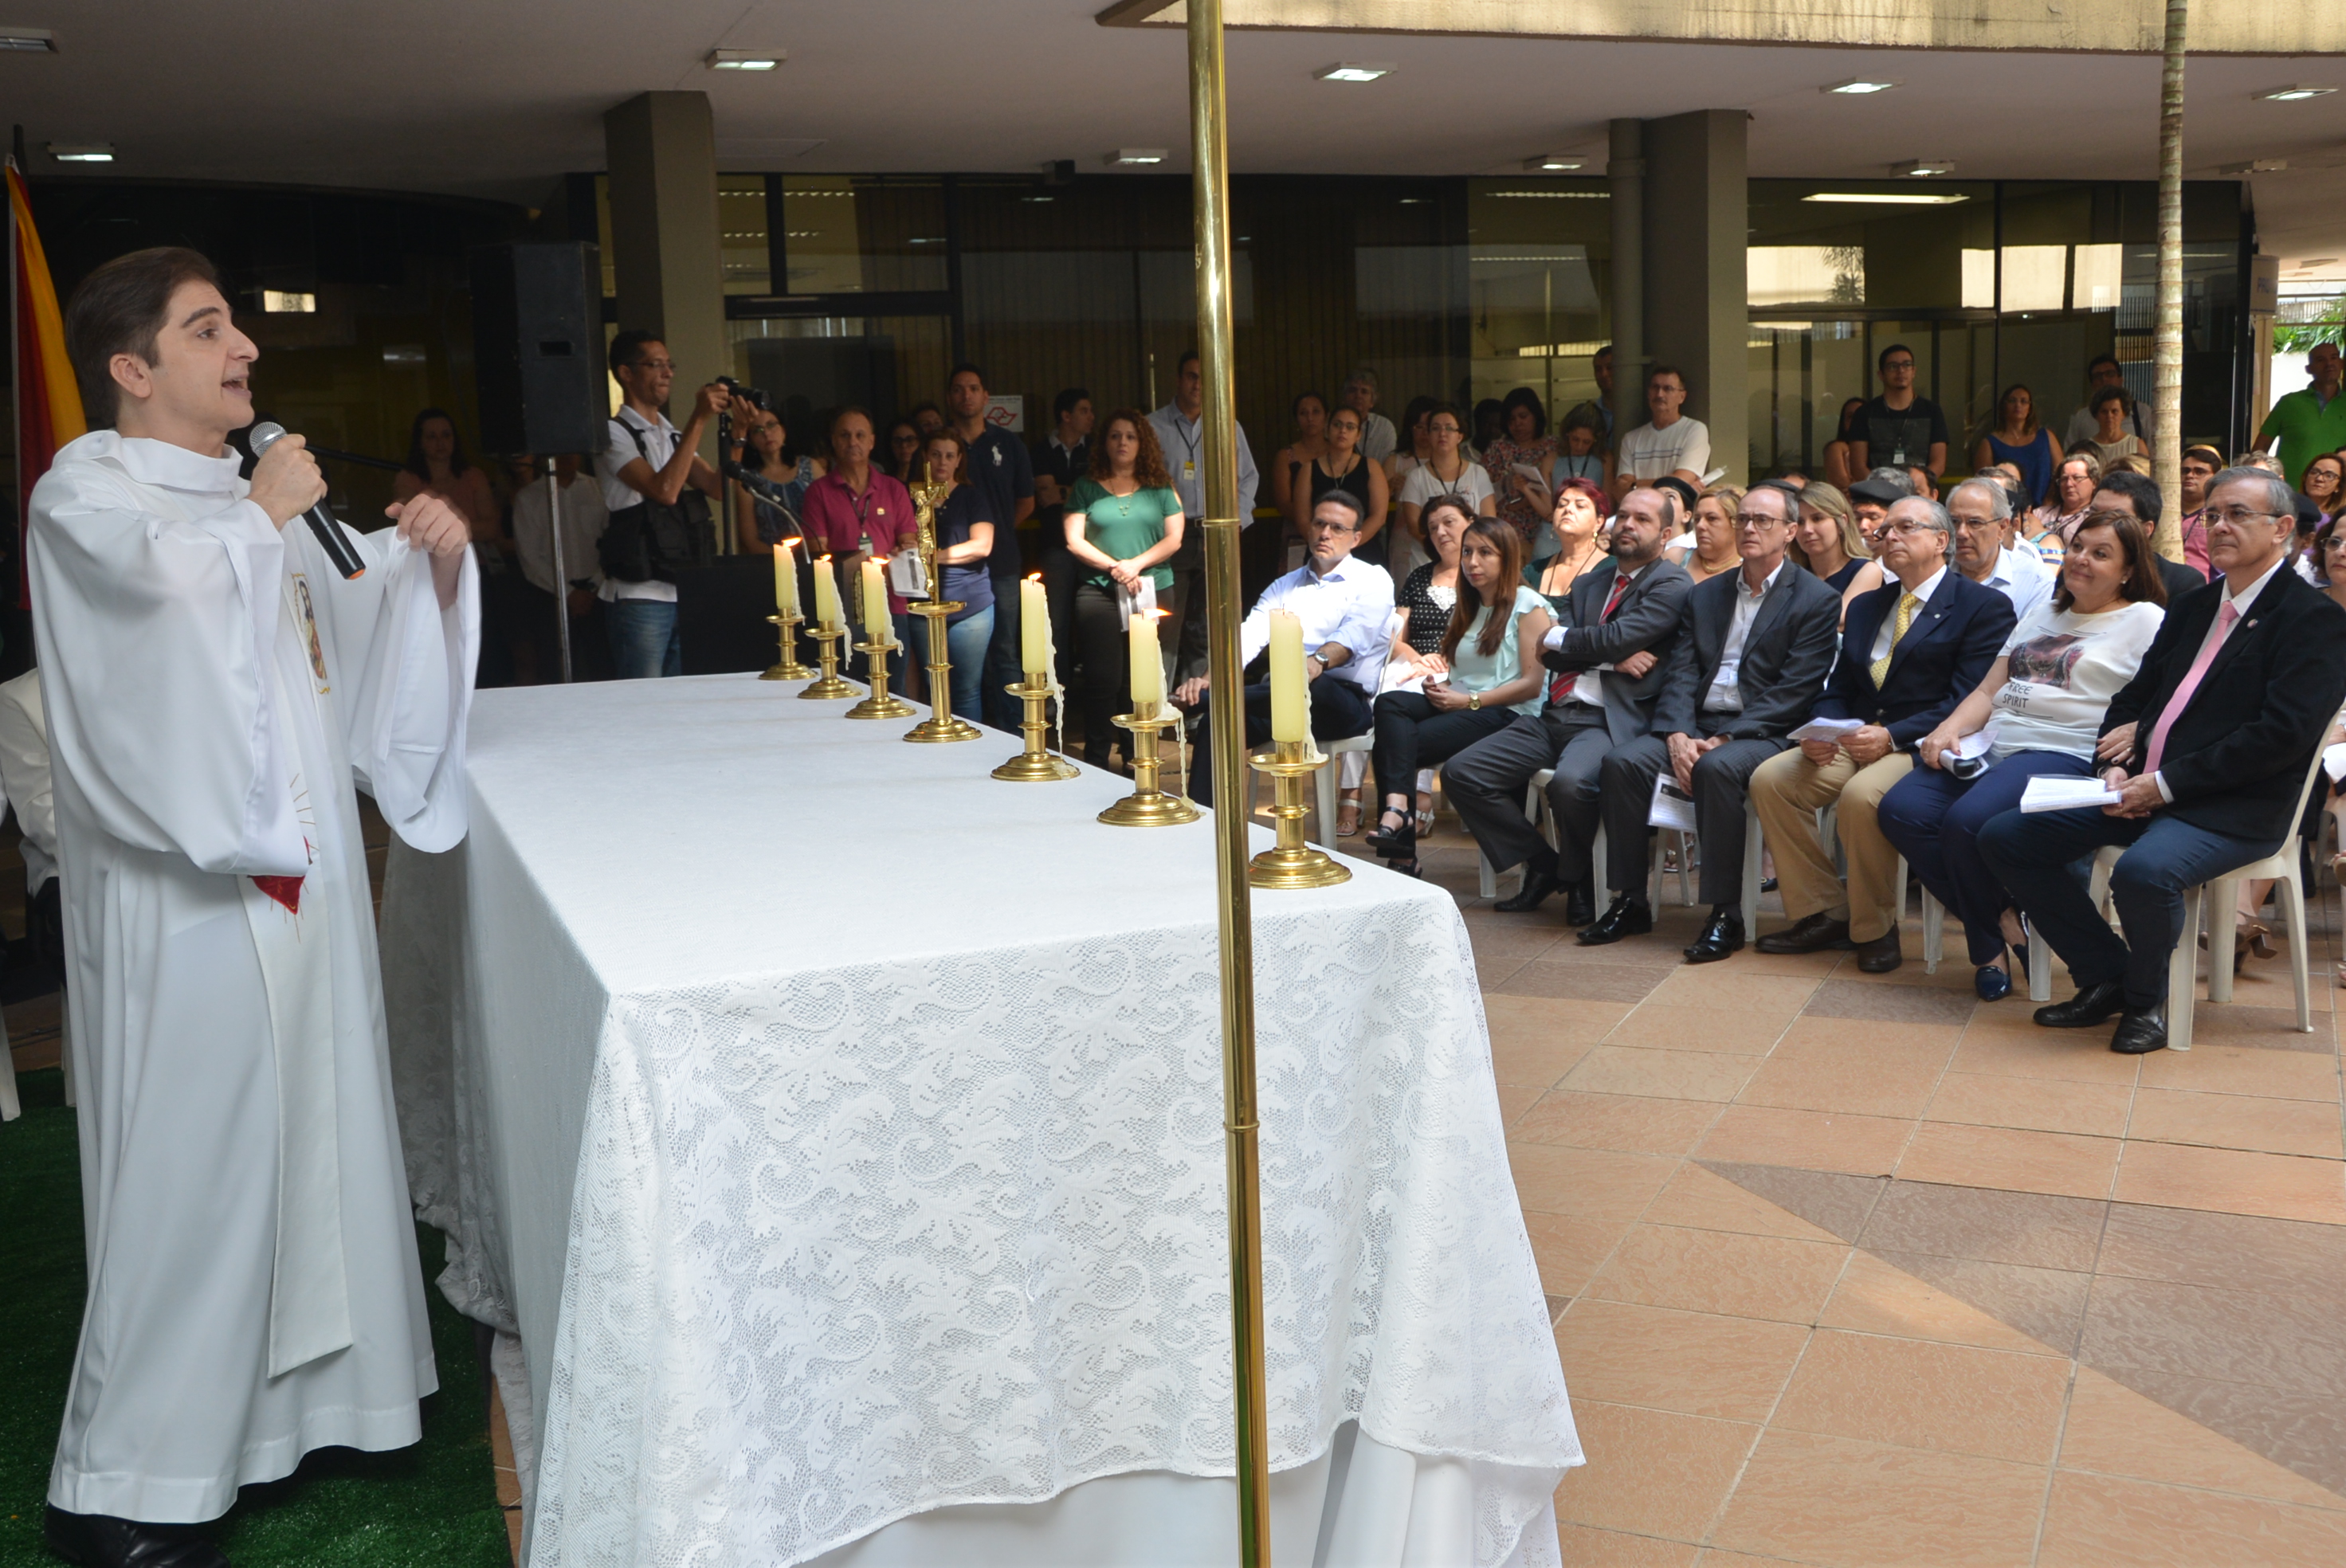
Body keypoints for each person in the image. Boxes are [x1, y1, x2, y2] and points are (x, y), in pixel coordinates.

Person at [31, 245, 477, 1568]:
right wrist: (259, 522)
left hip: (304, 879)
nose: (247, 351)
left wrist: (425, 565)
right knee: (199, 1162)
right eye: (209, 328)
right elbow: (156, 636)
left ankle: (313, 1412)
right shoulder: (86, 493)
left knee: (312, 1129)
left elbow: (339, 633)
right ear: (131, 367)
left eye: (235, 326)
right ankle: (121, 1485)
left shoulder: (245, 495)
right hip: (188, 899)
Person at [1978, 468, 2346, 1053]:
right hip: (2144, 786)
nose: (2219, 526)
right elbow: (2135, 697)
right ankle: (2106, 974)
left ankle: (2148, 1001)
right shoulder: (2194, 605)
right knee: (2006, 837)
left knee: (2143, 872)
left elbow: (2278, 737)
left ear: (2282, 528)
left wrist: (2165, 785)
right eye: (2212, 515)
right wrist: (2114, 766)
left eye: (2237, 514)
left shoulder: (2315, 620)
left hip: (2233, 804)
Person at [1880, 510, 2168, 1000]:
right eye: (2077, 548)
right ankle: (2007, 921)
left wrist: (2139, 727)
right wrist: (1948, 729)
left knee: (1966, 822)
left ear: (2127, 570)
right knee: (1902, 810)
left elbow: (2172, 692)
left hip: (2064, 749)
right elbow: (1988, 689)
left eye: (2100, 554)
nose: (2081, 559)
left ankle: (1986, 949)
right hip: (1994, 743)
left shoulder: (2146, 619)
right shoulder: (2044, 612)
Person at [1750, 496, 2018, 970]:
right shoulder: (1867, 605)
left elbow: (1966, 699)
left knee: (1861, 796)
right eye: (1884, 530)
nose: (1889, 536)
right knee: (1772, 779)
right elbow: (1839, 687)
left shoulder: (1982, 606)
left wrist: (1891, 736)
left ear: (1940, 540)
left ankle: (1874, 928)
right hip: (1855, 737)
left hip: (1922, 743)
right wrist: (1823, 729)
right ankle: (1825, 911)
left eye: (1905, 527)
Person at [1596, 482, 1843, 961]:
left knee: (1717, 767)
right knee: (1623, 763)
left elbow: (1795, 691)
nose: (1749, 528)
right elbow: (1682, 671)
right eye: (1743, 519)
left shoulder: (1815, 598)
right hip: (1697, 722)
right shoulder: (1707, 594)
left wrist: (1728, 736)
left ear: (1790, 531)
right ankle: (1631, 899)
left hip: (1765, 731)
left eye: (1763, 520)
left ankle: (1726, 914)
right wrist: (1677, 734)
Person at [1447, 488, 1692, 930]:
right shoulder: (1590, 583)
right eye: (1623, 515)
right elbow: (1550, 654)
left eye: (1643, 519)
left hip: (1607, 721)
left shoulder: (1671, 584)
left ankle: (1580, 881)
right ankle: (1547, 865)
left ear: (1666, 534)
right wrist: (1609, 657)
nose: (1628, 525)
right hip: (1556, 713)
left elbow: (1608, 638)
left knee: (1571, 784)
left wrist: (1582, 645)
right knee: (1463, 773)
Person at [1175, 489, 1391, 804]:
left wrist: (1316, 661)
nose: (1325, 533)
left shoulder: (1373, 579)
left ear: (1356, 538)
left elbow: (1355, 635)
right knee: (1218, 722)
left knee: (1312, 685)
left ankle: (1211, 700)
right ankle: (1204, 817)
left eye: (1337, 528)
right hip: (1280, 700)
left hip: (1340, 703)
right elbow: (1250, 635)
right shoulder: (1285, 585)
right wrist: (1209, 679)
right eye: (1319, 524)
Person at [1364, 516, 1550, 876]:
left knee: (1394, 745)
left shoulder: (1529, 604)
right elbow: (1464, 674)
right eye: (1467, 553)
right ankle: (1399, 812)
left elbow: (1532, 684)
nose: (1472, 562)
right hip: (1466, 703)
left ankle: (1401, 847)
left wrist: (1470, 701)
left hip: (1510, 713)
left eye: (1485, 553)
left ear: (1507, 557)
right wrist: (1443, 688)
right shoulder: (1469, 605)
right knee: (1390, 704)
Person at [596, 330, 728, 680]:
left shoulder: (671, 434)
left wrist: (740, 435)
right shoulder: (612, 433)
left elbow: (717, 488)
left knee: (681, 697)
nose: (668, 373)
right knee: (644, 698)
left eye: (670, 365)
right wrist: (699, 418)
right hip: (639, 593)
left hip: (682, 587)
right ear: (626, 373)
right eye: (656, 365)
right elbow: (665, 491)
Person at [1066, 410, 1185, 770]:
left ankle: (1137, 758)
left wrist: (1135, 565)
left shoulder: (1161, 486)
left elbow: (1174, 538)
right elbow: (1074, 540)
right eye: (1115, 436)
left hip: (1151, 589)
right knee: (1103, 678)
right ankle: (1097, 759)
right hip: (1099, 591)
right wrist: (1115, 567)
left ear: (1142, 443)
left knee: (1139, 678)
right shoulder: (1086, 486)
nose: (1122, 443)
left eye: (1131, 436)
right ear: (1104, 442)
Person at [1151, 351, 1260, 681]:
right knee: (1166, 623)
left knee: (1206, 626)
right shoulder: (1152, 426)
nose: (1198, 385)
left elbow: (1248, 477)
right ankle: (1159, 701)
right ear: (1178, 380)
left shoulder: (1226, 425)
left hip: (1215, 534)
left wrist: (1236, 521)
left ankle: (1197, 701)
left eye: (1204, 378)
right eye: (1191, 376)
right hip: (1172, 536)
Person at [942, 364, 1037, 731]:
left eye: (973, 388)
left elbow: (1026, 501)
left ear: (986, 397)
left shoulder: (1009, 444)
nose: (966, 395)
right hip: (951, 571)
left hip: (1002, 564)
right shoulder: (940, 448)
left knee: (1006, 651)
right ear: (949, 397)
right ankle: (972, 731)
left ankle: (1014, 735)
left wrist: (992, 534)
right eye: (958, 389)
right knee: (962, 661)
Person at [801, 406, 919, 681]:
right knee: (849, 686)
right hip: (844, 606)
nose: (852, 442)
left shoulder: (893, 488)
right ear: (834, 441)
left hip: (891, 602)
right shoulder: (818, 492)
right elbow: (819, 551)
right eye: (844, 435)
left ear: (871, 442)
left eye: (859, 435)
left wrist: (903, 549)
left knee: (894, 688)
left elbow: (908, 541)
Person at [396, 407, 508, 685]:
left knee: (486, 653)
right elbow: (408, 528)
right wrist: (464, 527)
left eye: (446, 435)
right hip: (430, 578)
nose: (440, 442)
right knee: (437, 651)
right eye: (432, 436)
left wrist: (451, 529)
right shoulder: (408, 479)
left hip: (477, 573)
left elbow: (491, 528)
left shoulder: (473, 476)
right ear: (420, 442)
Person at [1386, 493, 1473, 834]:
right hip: (1416, 664)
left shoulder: (1478, 576)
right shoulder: (1418, 577)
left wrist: (1448, 661)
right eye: (1433, 527)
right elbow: (1395, 638)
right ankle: (1394, 799)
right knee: (1388, 695)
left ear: (1471, 524)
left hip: (1462, 668)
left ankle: (1420, 798)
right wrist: (1418, 659)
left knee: (1427, 695)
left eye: (1449, 522)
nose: (1440, 532)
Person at [903, 429, 995, 723]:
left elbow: (982, 546)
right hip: (922, 605)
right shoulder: (911, 496)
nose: (942, 461)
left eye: (949, 455)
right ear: (925, 457)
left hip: (970, 605)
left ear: (959, 460)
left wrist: (932, 557)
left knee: (966, 691)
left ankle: (969, 746)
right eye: (936, 454)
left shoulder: (972, 497)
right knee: (934, 687)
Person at [509, 452, 610, 683]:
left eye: (572, 449)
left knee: (603, 669)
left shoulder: (598, 489)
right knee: (554, 673)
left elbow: (610, 542)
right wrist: (569, 593)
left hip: (597, 594)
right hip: (550, 597)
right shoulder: (529, 497)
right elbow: (530, 558)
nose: (567, 455)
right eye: (559, 449)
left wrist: (594, 585)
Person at [1032, 387, 1095, 692]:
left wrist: (1065, 491)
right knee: (1055, 621)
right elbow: (1045, 495)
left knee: (1091, 620)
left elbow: (1097, 493)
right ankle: (1058, 690)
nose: (1091, 417)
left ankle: (1090, 691)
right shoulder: (1041, 450)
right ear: (1066, 416)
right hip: (1055, 545)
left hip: (1094, 547)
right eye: (1084, 411)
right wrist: (1080, 491)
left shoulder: (1095, 449)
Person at [1395, 402, 1494, 578]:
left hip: (1472, 564)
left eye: (1449, 428)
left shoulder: (1478, 473)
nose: (1442, 433)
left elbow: (1488, 520)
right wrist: (1445, 548)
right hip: (1426, 563)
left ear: (1460, 436)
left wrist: (1464, 548)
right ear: (1428, 435)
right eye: (1435, 428)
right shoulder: (1416, 477)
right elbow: (1415, 527)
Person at [2090, 468, 2207, 602]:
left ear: (2146, 529)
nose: (2097, 523)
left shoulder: (2180, 582)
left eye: (2116, 518)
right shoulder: (2077, 569)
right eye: (2092, 514)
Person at [1948, 477, 2053, 623]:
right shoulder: (1932, 572)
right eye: (1954, 521)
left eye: (1975, 523)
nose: (1961, 533)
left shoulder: (2035, 580)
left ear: (2002, 528)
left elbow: (2029, 637)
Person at [1847, 343, 1951, 480]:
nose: (1901, 370)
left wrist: (1914, 486)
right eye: (1893, 366)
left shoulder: (1932, 411)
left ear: (1914, 371)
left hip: (1919, 489)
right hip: (1877, 489)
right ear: (1881, 374)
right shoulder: (1865, 413)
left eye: (1907, 365)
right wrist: (1880, 488)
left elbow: (1939, 463)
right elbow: (1858, 467)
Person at [1304, 406, 1391, 567]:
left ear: (1358, 435)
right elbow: (1303, 518)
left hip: (1364, 551)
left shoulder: (1371, 467)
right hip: (1321, 551)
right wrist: (1325, 543)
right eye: (1337, 425)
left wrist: (1348, 545)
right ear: (1327, 429)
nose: (1343, 430)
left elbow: (1378, 516)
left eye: (1350, 427)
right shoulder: (1309, 469)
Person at [731, 404, 823, 552]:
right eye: (758, 430)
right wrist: (781, 559)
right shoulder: (747, 480)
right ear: (751, 440)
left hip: (816, 553)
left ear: (783, 430)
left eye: (771, 425)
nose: (767, 434)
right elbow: (750, 539)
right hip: (771, 558)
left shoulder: (811, 467)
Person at [1612, 365, 1710, 502]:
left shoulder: (1694, 430)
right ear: (1649, 393)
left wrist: (1634, 486)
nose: (1659, 394)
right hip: (1640, 512)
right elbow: (1619, 491)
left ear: (1682, 397)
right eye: (1655, 387)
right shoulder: (1631, 439)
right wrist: (1671, 483)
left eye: (1668, 389)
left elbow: (1681, 481)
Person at [2257, 342, 2346, 488]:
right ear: (2309, 369)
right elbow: (2261, 447)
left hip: (2336, 493)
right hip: (2290, 492)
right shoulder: (2289, 403)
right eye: (2321, 360)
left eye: (2334, 357)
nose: (2329, 364)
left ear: (2341, 363)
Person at [1483, 386, 1559, 543]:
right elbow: (1482, 487)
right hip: (1505, 529)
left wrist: (1529, 497)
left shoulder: (1553, 447)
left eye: (1523, 417)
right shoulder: (1498, 448)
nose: (1517, 424)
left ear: (1536, 416)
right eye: (1511, 419)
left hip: (1545, 529)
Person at [1975, 383, 2062, 508]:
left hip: (2045, 508)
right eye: (2012, 401)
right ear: (2004, 406)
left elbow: (2060, 474)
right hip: (2006, 509)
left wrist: (2047, 505)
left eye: (2024, 401)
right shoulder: (1989, 443)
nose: (2018, 405)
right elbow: (1984, 485)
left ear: (2030, 407)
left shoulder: (2046, 437)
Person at [1790, 482, 1880, 600]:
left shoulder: (1865, 570)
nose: (1807, 530)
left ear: (1842, 522)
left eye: (1817, 519)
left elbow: (1842, 612)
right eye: (1800, 522)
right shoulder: (1791, 577)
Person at [2064, 353, 2156, 451]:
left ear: (2121, 380)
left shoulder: (2141, 412)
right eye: (2098, 376)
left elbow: (2155, 450)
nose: (2104, 379)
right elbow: (2070, 452)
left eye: (2110, 374)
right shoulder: (2081, 418)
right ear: (2092, 384)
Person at [1269, 390, 1331, 530]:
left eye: (1316, 412)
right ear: (1297, 419)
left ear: (1327, 416)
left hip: (1337, 529)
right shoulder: (1285, 456)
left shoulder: (1338, 451)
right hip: (1297, 530)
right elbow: (1284, 504)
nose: (1310, 418)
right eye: (1303, 413)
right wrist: (1313, 525)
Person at [2030, 451, 2102, 563]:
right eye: (2064, 479)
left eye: (2077, 478)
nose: (2069, 484)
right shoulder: (2039, 514)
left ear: (2094, 482)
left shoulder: (2096, 519)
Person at [1669, 486, 1743, 582]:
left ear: (1736, 522)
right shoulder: (1675, 557)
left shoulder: (1749, 570)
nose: (1700, 525)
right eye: (1697, 519)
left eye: (1712, 518)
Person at [2176, 444, 2222, 578]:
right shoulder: (2163, 513)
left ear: (2215, 477)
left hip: (2205, 587)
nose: (2190, 476)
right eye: (2185, 471)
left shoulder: (2220, 516)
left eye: (2199, 472)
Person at [2082, 387, 2149, 471]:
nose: (2109, 416)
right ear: (2096, 415)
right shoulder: (2086, 448)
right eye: (2104, 412)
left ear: (2124, 414)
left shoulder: (2137, 445)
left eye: (2115, 411)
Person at [1550, 401, 1612, 490]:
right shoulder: (1551, 461)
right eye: (1575, 439)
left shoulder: (1605, 460)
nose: (1579, 447)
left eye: (1587, 442)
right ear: (1567, 433)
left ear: (1596, 440)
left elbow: (1607, 497)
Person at [1342, 367, 1398, 464]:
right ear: (1344, 397)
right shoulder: (1333, 424)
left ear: (1372, 401)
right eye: (1353, 390)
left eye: (1364, 392)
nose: (1358, 396)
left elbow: (1389, 464)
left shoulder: (1384, 427)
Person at [1383, 395, 1438, 492]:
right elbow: (1380, 497)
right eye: (1419, 427)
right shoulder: (1394, 461)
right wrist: (1390, 486)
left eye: (1430, 426)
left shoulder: (1447, 459)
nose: (1425, 432)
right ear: (1410, 427)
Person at [1820, 397, 1865, 492]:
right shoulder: (1837, 447)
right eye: (1850, 417)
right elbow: (1842, 483)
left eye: (1861, 416)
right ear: (1843, 422)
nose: (1856, 421)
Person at [1591, 345, 1617, 445]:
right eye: (1598, 369)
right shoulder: (1590, 414)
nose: (1604, 374)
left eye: (1609, 368)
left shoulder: (1637, 410)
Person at [885, 417, 924, 484]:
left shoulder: (930, 479)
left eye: (910, 440)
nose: (904, 445)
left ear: (919, 442)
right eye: (897, 441)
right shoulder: (885, 481)